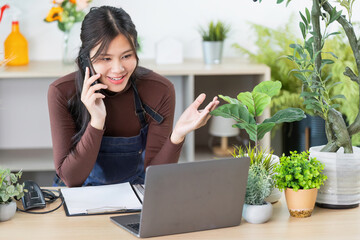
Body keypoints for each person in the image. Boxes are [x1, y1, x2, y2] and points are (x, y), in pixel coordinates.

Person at [48, 6, 219, 187]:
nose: (118, 69)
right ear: (86, 58)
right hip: (78, 198)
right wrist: (97, 121)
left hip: (136, 193)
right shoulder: (62, 92)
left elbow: (156, 179)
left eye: (126, 56)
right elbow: (71, 179)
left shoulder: (159, 90)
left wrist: (177, 135)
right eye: (105, 58)